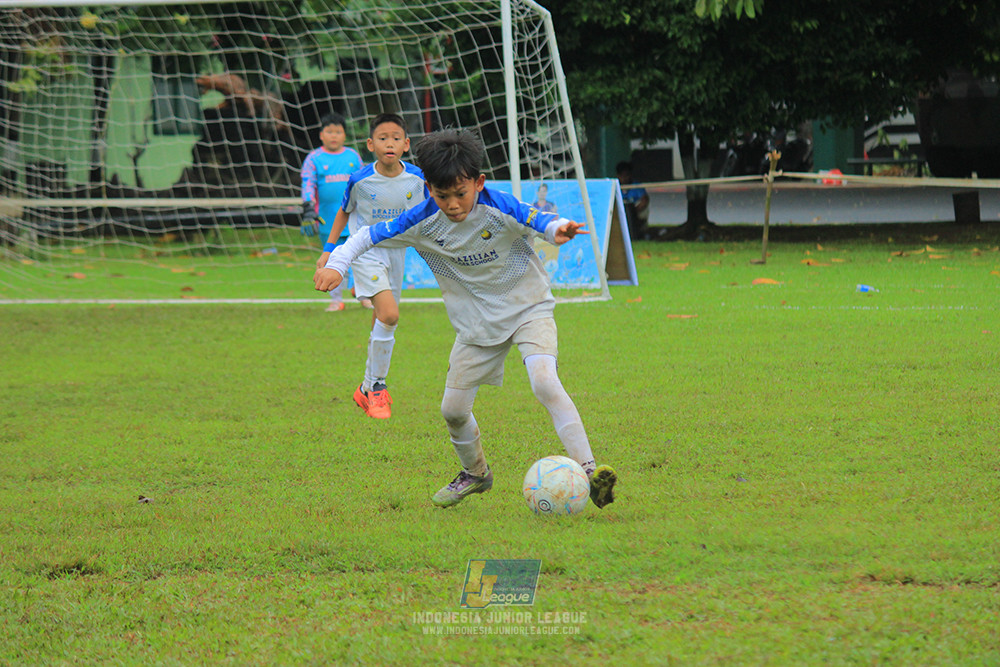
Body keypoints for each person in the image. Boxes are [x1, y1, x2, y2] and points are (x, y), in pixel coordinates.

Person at [314, 128, 618, 510]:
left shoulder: (498, 205)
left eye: (461, 193)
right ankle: (475, 473)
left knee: (544, 380)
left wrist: (558, 229)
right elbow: (365, 236)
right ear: (428, 189)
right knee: (453, 411)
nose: (453, 204)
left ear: (479, 182)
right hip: (475, 326)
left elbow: (538, 219)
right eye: (443, 196)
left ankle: (590, 473)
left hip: (528, 307)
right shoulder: (421, 220)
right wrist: (337, 264)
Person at [315, 113, 427, 419]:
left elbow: (428, 214)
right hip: (366, 251)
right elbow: (344, 211)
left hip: (397, 253)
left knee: (383, 318)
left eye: (396, 138)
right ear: (370, 144)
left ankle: (366, 387)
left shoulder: (418, 178)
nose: (389, 143)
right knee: (390, 315)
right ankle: (377, 386)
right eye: (382, 138)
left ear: (406, 144)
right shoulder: (360, 180)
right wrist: (328, 250)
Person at [300, 112, 363, 311]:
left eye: (338, 132)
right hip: (327, 219)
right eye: (329, 132)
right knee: (331, 259)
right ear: (321, 135)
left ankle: (364, 295)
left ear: (344, 135)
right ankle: (336, 299)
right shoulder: (314, 158)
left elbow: (363, 182)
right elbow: (308, 183)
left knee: (359, 258)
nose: (333, 136)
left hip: (354, 218)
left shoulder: (353, 156)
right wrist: (308, 208)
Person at [616, 161, 650, 241]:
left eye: (626, 175)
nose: (624, 178)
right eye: (622, 176)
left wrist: (633, 211)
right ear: (618, 176)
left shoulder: (636, 186)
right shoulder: (615, 186)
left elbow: (645, 200)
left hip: (635, 209)